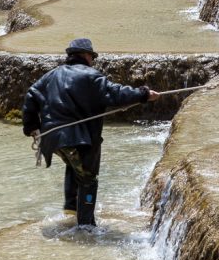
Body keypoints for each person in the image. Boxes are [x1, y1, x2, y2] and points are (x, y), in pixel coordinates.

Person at [22, 38, 159, 228]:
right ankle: (85, 228)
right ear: (86, 56)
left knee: (74, 165)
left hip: (52, 139)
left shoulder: (51, 75)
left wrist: (31, 127)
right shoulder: (91, 76)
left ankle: (71, 210)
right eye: (92, 57)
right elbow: (116, 93)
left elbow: (31, 94)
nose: (92, 60)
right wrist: (144, 94)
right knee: (88, 179)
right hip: (79, 140)